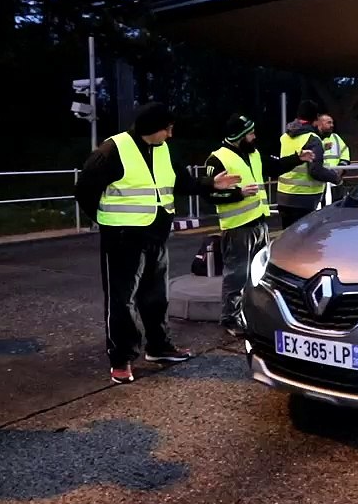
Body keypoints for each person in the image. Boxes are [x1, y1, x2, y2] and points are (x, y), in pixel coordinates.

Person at [76, 103, 239, 384]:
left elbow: (181, 183)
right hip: (123, 239)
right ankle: (121, 359)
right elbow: (84, 191)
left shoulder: (164, 150)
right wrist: (106, 222)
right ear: (154, 128)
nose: (171, 133)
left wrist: (211, 184)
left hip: (156, 236)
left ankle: (158, 346)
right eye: (168, 128)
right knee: (122, 300)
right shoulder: (112, 150)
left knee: (156, 296)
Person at [203, 114, 313, 335]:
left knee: (259, 272)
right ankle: (230, 318)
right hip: (237, 226)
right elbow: (210, 195)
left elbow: (273, 166)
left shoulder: (252, 154)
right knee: (237, 275)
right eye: (250, 133)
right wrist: (238, 193)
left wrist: (298, 158)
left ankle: (250, 313)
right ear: (240, 136)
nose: (254, 136)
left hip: (259, 223)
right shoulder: (217, 159)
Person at [277, 100, 341, 227]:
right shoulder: (313, 139)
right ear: (316, 118)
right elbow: (315, 171)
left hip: (283, 196)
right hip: (304, 199)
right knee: (303, 241)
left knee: (288, 239)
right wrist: (336, 178)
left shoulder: (285, 136)